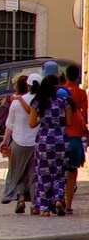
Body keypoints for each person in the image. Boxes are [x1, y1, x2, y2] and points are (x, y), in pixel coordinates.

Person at [28, 74, 69, 217]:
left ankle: (44, 207)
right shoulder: (64, 101)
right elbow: (68, 122)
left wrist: (42, 119)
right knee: (59, 172)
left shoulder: (37, 102)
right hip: (60, 139)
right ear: (56, 87)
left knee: (43, 173)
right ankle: (58, 199)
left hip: (44, 140)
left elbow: (32, 124)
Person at [0, 75, 38, 214]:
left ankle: (21, 199)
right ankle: (34, 205)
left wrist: (4, 142)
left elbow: (9, 125)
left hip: (19, 142)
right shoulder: (40, 101)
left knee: (19, 172)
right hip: (35, 143)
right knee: (33, 173)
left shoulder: (16, 103)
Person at [64, 65, 87, 214]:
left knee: (57, 172)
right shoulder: (81, 93)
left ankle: (57, 199)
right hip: (75, 137)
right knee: (72, 173)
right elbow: (84, 114)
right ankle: (68, 205)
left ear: (66, 76)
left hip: (59, 137)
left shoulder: (59, 92)